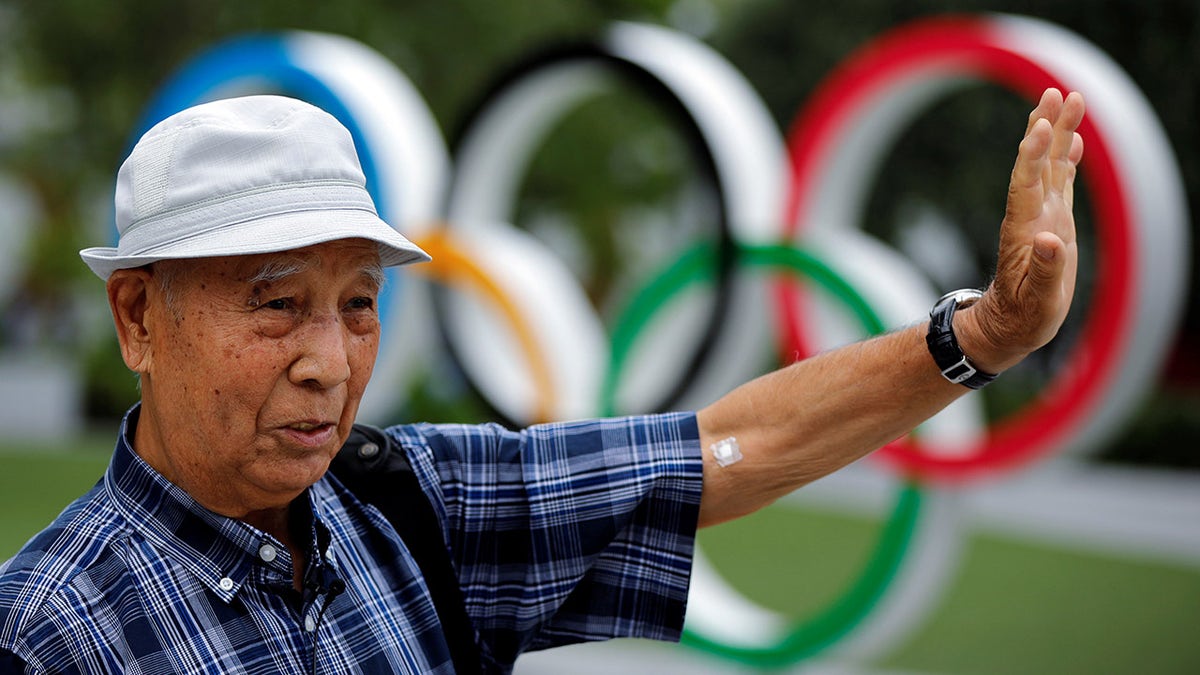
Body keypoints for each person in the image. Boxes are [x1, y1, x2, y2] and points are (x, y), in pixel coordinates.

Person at [0, 87, 1085, 674]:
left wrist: (982, 334)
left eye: (360, 304)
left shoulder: (409, 504)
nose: (330, 363)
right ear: (139, 318)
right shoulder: (46, 635)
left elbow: (709, 453)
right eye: (276, 302)